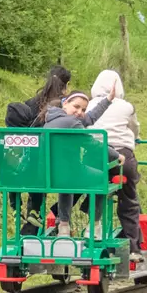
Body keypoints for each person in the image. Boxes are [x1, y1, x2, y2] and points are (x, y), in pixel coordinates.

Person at [3, 65, 70, 234]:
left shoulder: (31, 103)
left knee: (31, 170)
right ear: (66, 85)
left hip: (25, 165)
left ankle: (26, 214)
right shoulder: (63, 107)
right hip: (51, 165)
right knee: (73, 184)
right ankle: (52, 215)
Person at [37, 91, 112, 237]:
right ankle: (94, 226)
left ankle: (64, 227)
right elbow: (92, 145)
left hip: (47, 175)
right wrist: (117, 155)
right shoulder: (72, 123)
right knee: (102, 178)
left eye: (83, 109)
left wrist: (107, 100)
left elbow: (89, 118)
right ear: (65, 103)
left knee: (66, 182)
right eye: (76, 107)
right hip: (68, 174)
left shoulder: (51, 118)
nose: (80, 112)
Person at [88, 69, 144, 243]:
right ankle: (133, 245)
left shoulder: (89, 105)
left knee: (94, 189)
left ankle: (93, 226)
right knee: (128, 199)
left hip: (94, 158)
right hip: (121, 158)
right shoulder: (126, 106)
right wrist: (135, 139)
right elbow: (134, 127)